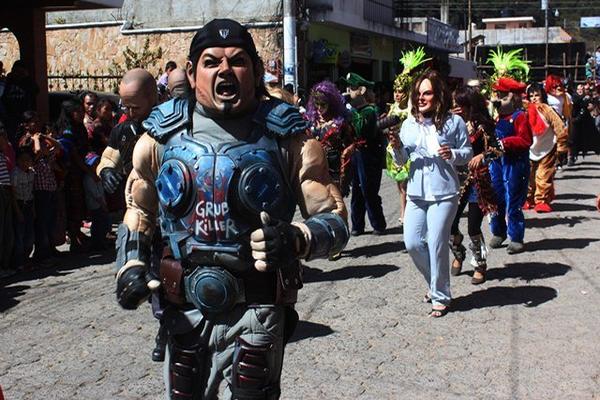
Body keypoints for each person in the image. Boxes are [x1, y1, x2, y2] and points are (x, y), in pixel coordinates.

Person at [114, 18, 349, 399]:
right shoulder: (160, 138)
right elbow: (138, 210)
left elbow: (335, 220)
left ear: (255, 71)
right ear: (192, 73)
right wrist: (130, 266)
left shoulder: (288, 139)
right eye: (212, 62)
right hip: (185, 309)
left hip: (256, 310)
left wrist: (296, 240)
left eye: (237, 60)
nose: (225, 70)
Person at [396, 70, 472, 317]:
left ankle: (440, 295)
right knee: (413, 243)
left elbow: (467, 153)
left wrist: (454, 155)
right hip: (416, 193)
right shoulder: (407, 125)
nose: (421, 98)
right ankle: (435, 284)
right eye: (417, 93)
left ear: (438, 95)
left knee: (437, 243)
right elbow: (401, 160)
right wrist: (397, 148)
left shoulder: (454, 122)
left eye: (426, 92)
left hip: (444, 192)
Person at [449, 86, 502, 284]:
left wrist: (482, 155)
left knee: (473, 227)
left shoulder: (483, 125)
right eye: (454, 105)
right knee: (448, 226)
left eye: (460, 105)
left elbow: (498, 149)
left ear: (470, 105)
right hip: (453, 182)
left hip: (477, 182)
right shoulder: (450, 123)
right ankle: (459, 252)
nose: (457, 108)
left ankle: (480, 264)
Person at [488, 77, 533, 254]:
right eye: (497, 96)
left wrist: (505, 143)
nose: (498, 100)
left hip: (515, 163)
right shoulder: (498, 117)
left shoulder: (519, 117)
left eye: (503, 96)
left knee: (513, 200)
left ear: (513, 98)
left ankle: (516, 236)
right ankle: (499, 231)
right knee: (496, 197)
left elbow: (526, 140)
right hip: (498, 163)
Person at [97, 69, 157, 195]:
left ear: (152, 98)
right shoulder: (121, 130)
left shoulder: (169, 128)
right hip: (134, 200)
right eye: (126, 107)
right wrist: (106, 171)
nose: (130, 113)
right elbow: (109, 158)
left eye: (135, 108)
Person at [343, 72, 387, 236]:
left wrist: (349, 112)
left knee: (368, 189)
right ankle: (357, 225)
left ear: (361, 90)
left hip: (369, 153)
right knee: (356, 190)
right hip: (356, 153)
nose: (348, 91)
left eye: (352, 88)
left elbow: (361, 129)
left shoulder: (369, 110)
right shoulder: (353, 110)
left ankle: (378, 223)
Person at [56, 99, 94, 253]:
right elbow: (73, 154)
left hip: (80, 172)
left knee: (80, 205)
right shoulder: (67, 130)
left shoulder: (79, 127)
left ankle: (77, 233)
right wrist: (87, 169)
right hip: (71, 173)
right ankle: (73, 236)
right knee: (73, 205)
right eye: (77, 111)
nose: (81, 113)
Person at [304, 80, 355, 195]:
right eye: (317, 104)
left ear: (331, 103)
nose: (319, 108)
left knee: (335, 205)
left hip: (333, 170)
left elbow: (351, 143)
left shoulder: (340, 122)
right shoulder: (310, 120)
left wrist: (346, 159)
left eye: (323, 104)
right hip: (314, 168)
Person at [524, 83, 568, 213]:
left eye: (537, 95)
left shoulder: (547, 110)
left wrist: (561, 146)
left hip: (547, 147)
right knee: (528, 175)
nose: (534, 98)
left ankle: (541, 200)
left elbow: (559, 127)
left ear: (542, 95)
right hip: (530, 148)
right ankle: (529, 198)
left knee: (543, 175)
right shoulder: (525, 110)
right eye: (531, 96)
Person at [11, 149, 35, 270]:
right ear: (18, 161)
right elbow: (13, 195)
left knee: (29, 235)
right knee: (19, 235)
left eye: (28, 160)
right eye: (23, 160)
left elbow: (32, 192)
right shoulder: (15, 174)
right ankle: (19, 262)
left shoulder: (31, 173)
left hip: (29, 204)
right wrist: (17, 211)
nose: (26, 162)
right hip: (19, 204)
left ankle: (27, 259)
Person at [83, 152, 110, 251]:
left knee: (103, 224)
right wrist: (103, 204)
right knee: (97, 224)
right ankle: (97, 243)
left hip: (101, 202)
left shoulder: (97, 176)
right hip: (95, 204)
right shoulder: (88, 179)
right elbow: (95, 194)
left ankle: (102, 241)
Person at [0, 121, 15, 277]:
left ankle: (5, 265)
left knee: (7, 232)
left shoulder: (3, 154)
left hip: (6, 189)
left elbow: (5, 146)